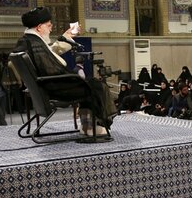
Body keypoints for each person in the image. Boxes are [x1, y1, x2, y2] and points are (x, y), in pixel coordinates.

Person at [13, 7, 116, 135]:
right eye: (49, 25)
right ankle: (91, 127)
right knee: (96, 86)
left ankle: (87, 126)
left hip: (43, 87)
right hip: (54, 88)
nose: (51, 28)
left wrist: (68, 36)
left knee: (90, 83)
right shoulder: (35, 44)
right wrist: (72, 77)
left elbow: (49, 54)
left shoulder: (27, 41)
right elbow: (50, 68)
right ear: (39, 27)